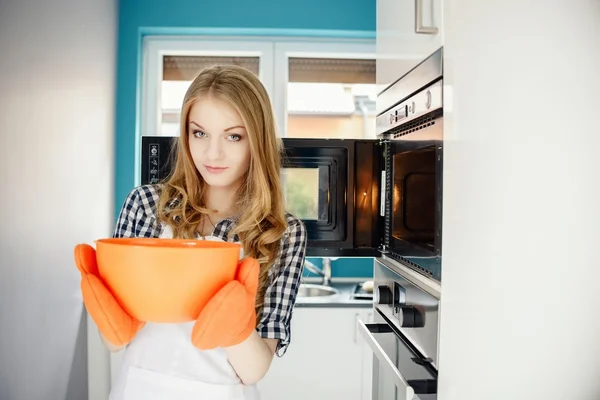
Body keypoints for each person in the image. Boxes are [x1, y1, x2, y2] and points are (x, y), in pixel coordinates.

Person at [74, 64, 308, 399]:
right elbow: (112, 342)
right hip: (141, 389)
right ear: (185, 135)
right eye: (200, 133)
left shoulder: (282, 234)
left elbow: (255, 368)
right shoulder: (145, 205)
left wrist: (234, 325)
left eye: (234, 136)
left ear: (257, 140)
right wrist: (110, 313)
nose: (213, 153)